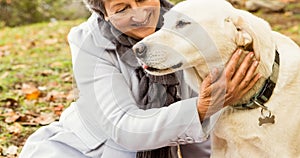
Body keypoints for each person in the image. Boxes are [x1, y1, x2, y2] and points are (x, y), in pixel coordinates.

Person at [19, 0, 261, 157]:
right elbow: (122, 125)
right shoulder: (88, 43)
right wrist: (199, 109)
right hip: (87, 151)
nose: (141, 15)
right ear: (103, 14)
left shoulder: (189, 24)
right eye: (122, 9)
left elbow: (203, 129)